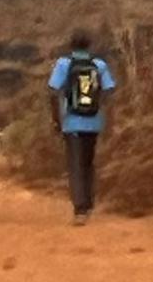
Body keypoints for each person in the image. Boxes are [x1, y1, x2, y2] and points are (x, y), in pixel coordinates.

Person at [48, 31, 117, 225]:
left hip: (71, 122)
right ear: (89, 45)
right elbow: (109, 90)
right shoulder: (99, 65)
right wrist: (103, 112)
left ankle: (79, 208)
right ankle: (89, 203)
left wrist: (56, 119)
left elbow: (53, 91)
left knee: (75, 164)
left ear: (71, 45)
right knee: (88, 162)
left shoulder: (64, 64)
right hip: (94, 121)